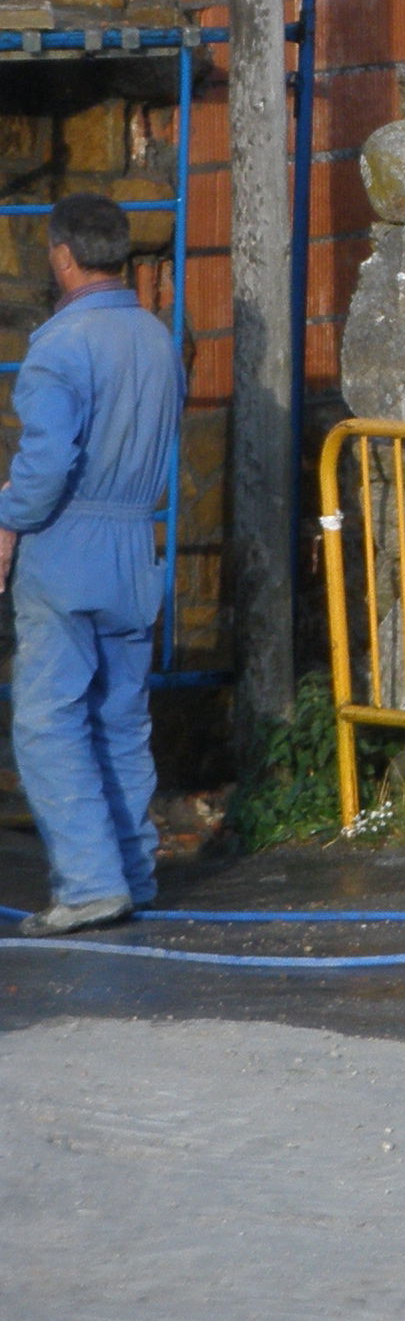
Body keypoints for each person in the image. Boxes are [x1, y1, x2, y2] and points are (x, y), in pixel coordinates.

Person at [0, 194, 182, 934]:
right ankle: (133, 874)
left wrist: (8, 518)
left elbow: (45, 465)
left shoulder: (59, 347)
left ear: (63, 256)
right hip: (137, 544)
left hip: (68, 544)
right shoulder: (155, 337)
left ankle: (87, 882)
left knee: (47, 719)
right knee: (119, 717)